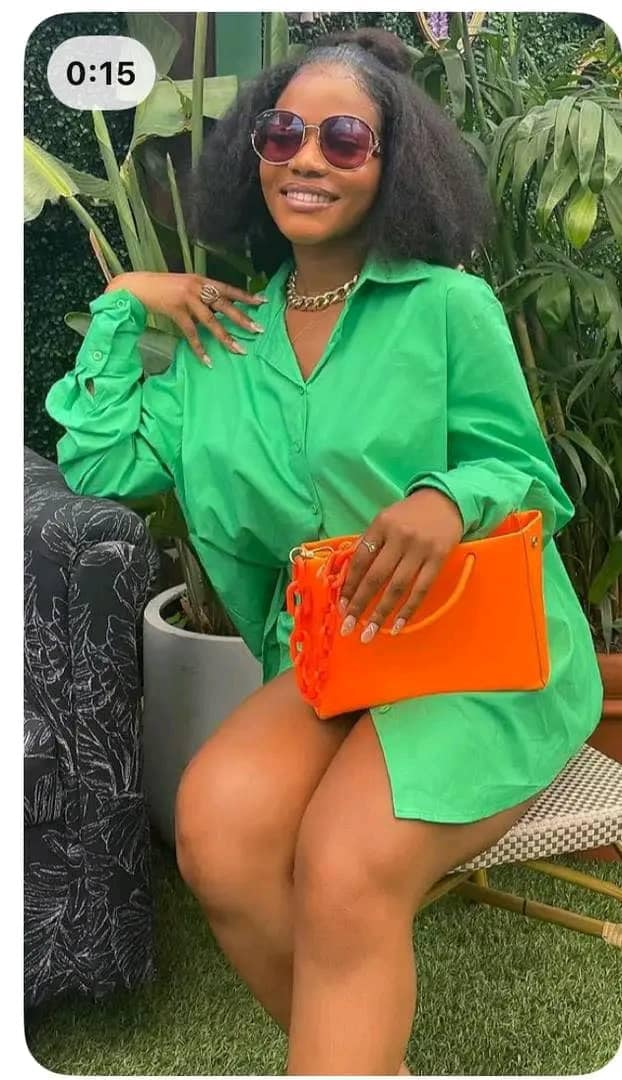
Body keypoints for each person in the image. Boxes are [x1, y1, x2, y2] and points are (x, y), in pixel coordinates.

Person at [46, 27, 603, 1076]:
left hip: (480, 651)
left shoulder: (447, 307)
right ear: (252, 156)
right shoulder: (220, 346)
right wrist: (123, 306)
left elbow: (519, 467)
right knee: (218, 835)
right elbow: (100, 461)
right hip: (338, 653)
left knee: (345, 869)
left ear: (394, 167)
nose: (307, 157)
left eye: (344, 139)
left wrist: (446, 499)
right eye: (283, 133)